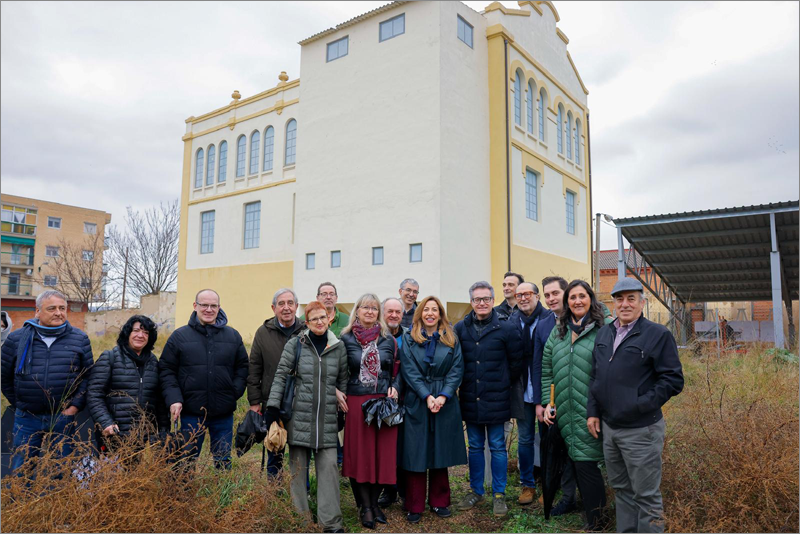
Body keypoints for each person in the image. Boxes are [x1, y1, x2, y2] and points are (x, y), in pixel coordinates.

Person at [587, 278, 684, 533]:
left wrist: (638, 404)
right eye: (620, 298)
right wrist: (593, 412)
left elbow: (673, 379)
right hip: (610, 429)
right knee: (622, 491)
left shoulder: (657, 334)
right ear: (613, 303)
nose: (625, 304)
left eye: (631, 298)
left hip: (641, 430)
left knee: (646, 495)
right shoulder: (605, 333)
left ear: (643, 302)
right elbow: (596, 376)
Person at [265, 301, 348, 534]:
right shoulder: (296, 344)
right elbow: (281, 376)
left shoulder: (338, 346)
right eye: (314, 319)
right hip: (299, 417)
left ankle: (330, 523)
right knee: (298, 471)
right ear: (307, 322)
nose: (320, 322)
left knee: (330, 469)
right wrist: (272, 407)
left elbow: (341, 380)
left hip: (327, 419)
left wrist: (341, 407)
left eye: (323, 317)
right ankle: (300, 521)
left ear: (329, 318)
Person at [541, 280, 611, 531]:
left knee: (586, 462)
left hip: (591, 409)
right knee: (577, 460)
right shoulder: (558, 330)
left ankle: (598, 521)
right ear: (567, 302)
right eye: (572, 297)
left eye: (582, 296)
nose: (577, 301)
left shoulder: (605, 328)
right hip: (565, 410)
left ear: (591, 299)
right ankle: (591, 513)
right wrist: (548, 403)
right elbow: (547, 370)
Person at [1, 290, 93, 472]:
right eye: (52, 308)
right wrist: (21, 403)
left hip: (63, 416)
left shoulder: (79, 339)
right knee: (22, 468)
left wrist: (73, 407)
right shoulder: (17, 339)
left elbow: (88, 377)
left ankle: (57, 500)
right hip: (27, 416)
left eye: (62, 308)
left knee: (61, 467)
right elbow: (4, 376)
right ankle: (24, 501)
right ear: (37, 311)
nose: (58, 313)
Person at [159, 289, 249, 470]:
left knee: (223, 463)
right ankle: (184, 497)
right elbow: (166, 370)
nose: (209, 309)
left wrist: (233, 393)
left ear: (219, 308)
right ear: (195, 306)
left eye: (213, 305)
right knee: (186, 463)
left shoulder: (233, 336)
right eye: (204, 305)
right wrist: (174, 398)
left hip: (223, 413)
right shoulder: (179, 337)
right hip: (191, 412)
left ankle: (221, 496)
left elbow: (243, 368)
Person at [454, 282, 523, 517]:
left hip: (497, 397)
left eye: (485, 299)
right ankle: (476, 490)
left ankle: (499, 494)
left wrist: (502, 382)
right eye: (476, 299)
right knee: (474, 446)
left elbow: (516, 363)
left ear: (493, 300)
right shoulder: (461, 328)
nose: (481, 303)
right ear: (471, 302)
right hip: (470, 397)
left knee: (497, 447)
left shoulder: (507, 328)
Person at [399, 295, 466, 524]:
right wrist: (426, 395)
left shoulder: (451, 338)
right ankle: (414, 504)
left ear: (440, 314)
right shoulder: (409, 338)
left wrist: (443, 396)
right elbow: (408, 370)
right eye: (425, 309)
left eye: (434, 310)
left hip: (444, 400)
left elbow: (457, 369)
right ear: (420, 313)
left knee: (440, 450)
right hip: (418, 399)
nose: (429, 313)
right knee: (416, 451)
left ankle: (439, 501)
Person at [340, 293, 402, 528]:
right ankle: (365, 507)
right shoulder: (345, 339)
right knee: (360, 455)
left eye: (374, 308)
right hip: (356, 403)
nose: (369, 311)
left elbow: (398, 371)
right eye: (365, 307)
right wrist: (337, 392)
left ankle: (375, 504)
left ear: (379, 313)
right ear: (357, 311)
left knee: (381, 456)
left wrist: (395, 387)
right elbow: (337, 371)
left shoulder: (388, 339)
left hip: (382, 405)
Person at [87, 315, 168, 452]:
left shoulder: (154, 362)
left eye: (145, 332)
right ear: (127, 333)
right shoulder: (110, 357)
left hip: (143, 438)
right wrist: (106, 422)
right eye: (136, 331)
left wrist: (163, 430)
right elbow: (94, 394)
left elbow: (158, 400)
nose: (140, 335)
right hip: (113, 435)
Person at [247, 288, 303, 476]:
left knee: (300, 449)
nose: (286, 308)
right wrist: (255, 401)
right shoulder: (263, 333)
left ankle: (302, 488)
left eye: (290, 303)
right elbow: (254, 368)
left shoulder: (306, 330)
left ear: (296, 306)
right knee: (275, 444)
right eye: (281, 304)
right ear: (273, 308)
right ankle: (274, 490)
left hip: (301, 400)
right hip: (273, 401)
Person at [538, 275, 578, 516]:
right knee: (558, 452)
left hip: (582, 401)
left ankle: (589, 500)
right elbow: (541, 366)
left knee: (581, 453)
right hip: (556, 401)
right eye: (547, 295)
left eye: (555, 293)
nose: (551, 298)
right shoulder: (544, 325)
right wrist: (543, 403)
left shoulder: (587, 319)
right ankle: (567, 497)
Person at [508, 281, 550, 506]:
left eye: (527, 294)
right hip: (522, 391)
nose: (523, 298)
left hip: (545, 390)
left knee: (547, 439)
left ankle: (549, 484)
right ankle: (527, 484)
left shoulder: (549, 319)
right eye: (519, 294)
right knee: (524, 439)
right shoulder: (512, 321)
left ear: (537, 296)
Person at [377, 297, 407, 508]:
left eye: (398, 311)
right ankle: (388, 489)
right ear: (382, 312)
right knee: (386, 447)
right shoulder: (375, 337)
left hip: (406, 397)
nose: (394, 315)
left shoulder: (410, 337)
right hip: (381, 398)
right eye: (390, 311)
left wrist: (398, 386)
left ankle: (405, 489)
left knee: (404, 446)